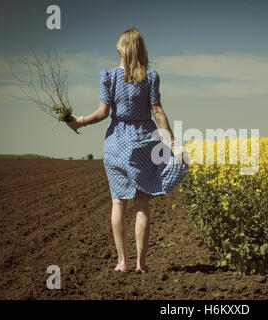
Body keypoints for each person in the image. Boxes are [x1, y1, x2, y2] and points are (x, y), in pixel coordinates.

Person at [66, 27, 189, 273]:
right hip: (143, 140)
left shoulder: (108, 76)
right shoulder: (151, 76)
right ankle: (140, 264)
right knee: (142, 205)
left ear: (123, 48)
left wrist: (78, 121)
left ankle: (122, 261)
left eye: (119, 47)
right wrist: (174, 144)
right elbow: (158, 112)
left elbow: (102, 113)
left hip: (116, 143)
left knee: (118, 203)